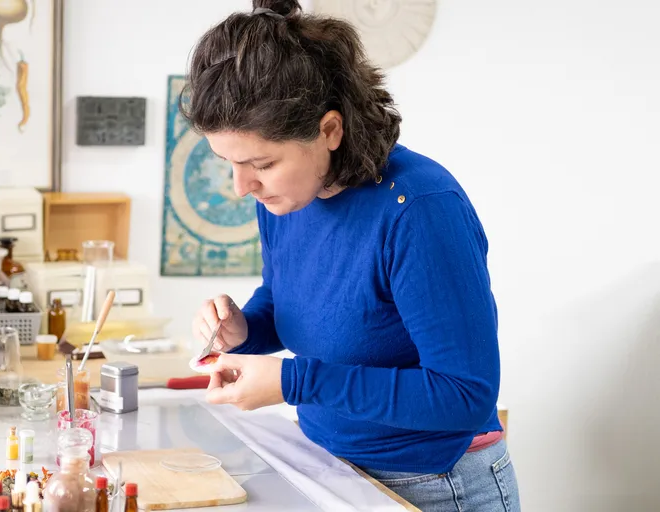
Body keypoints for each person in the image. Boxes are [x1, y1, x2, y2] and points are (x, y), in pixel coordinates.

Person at [185, 1, 521, 510]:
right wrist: (245, 330)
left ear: (329, 130)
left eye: (261, 163)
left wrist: (294, 381)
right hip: (331, 464)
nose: (240, 186)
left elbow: (464, 395)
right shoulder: (286, 195)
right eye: (228, 163)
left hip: (435, 484)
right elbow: (289, 301)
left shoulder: (419, 210)